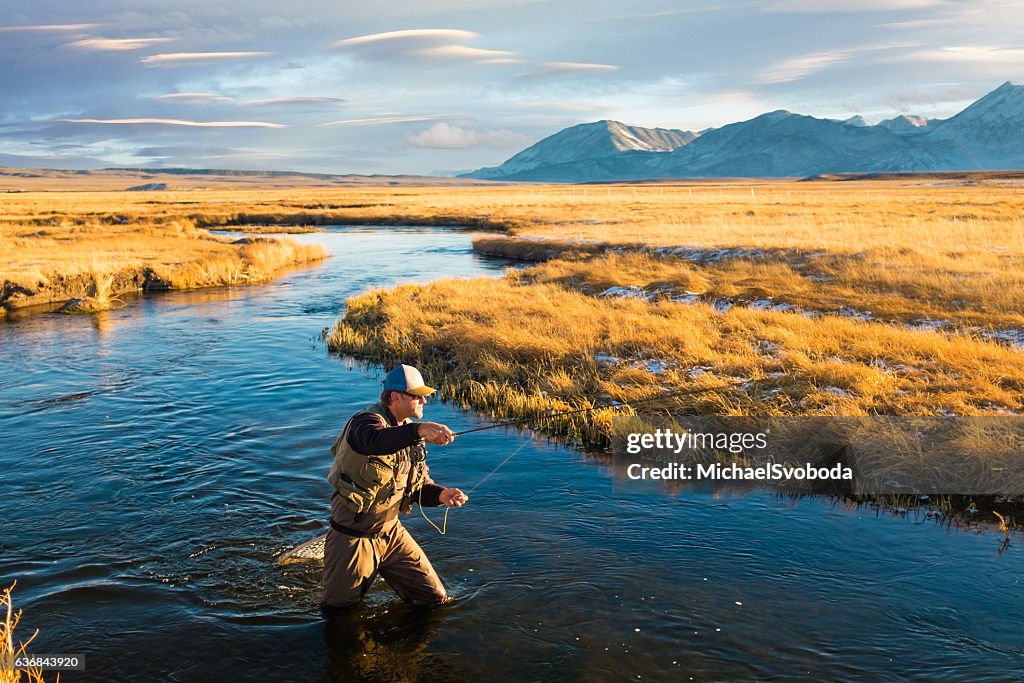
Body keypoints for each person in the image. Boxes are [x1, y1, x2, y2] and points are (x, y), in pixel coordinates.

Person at [321, 364, 467, 613]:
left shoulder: (409, 434)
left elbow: (417, 485)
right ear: (395, 396)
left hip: (392, 535)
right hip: (353, 538)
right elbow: (373, 440)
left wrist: (441, 495)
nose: (424, 400)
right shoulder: (364, 423)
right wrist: (419, 429)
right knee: (340, 614)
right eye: (417, 395)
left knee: (434, 599)